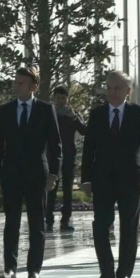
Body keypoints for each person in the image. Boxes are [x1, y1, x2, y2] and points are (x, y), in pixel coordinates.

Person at [81, 71, 140, 278]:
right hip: (102, 178)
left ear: (128, 92)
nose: (112, 93)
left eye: (118, 88)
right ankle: (106, 272)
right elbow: (88, 149)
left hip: (131, 179)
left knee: (128, 227)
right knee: (101, 225)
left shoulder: (137, 114)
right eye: (110, 88)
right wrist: (85, 178)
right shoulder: (97, 115)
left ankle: (124, 274)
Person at [0, 66, 62, 278]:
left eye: (21, 83)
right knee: (11, 223)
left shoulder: (45, 109)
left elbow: (55, 145)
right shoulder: (5, 111)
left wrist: (53, 174)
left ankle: (34, 270)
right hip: (11, 174)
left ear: (34, 86)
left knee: (36, 224)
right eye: (16, 82)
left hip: (36, 175)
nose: (17, 86)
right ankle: (10, 269)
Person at [47, 86, 87, 232]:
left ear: (68, 99)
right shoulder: (50, 114)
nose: (61, 101)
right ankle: (48, 220)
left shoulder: (73, 114)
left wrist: (74, 118)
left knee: (67, 190)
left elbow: (84, 131)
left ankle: (66, 220)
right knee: (51, 189)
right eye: (58, 98)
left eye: (64, 98)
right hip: (53, 156)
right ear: (54, 98)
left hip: (69, 155)